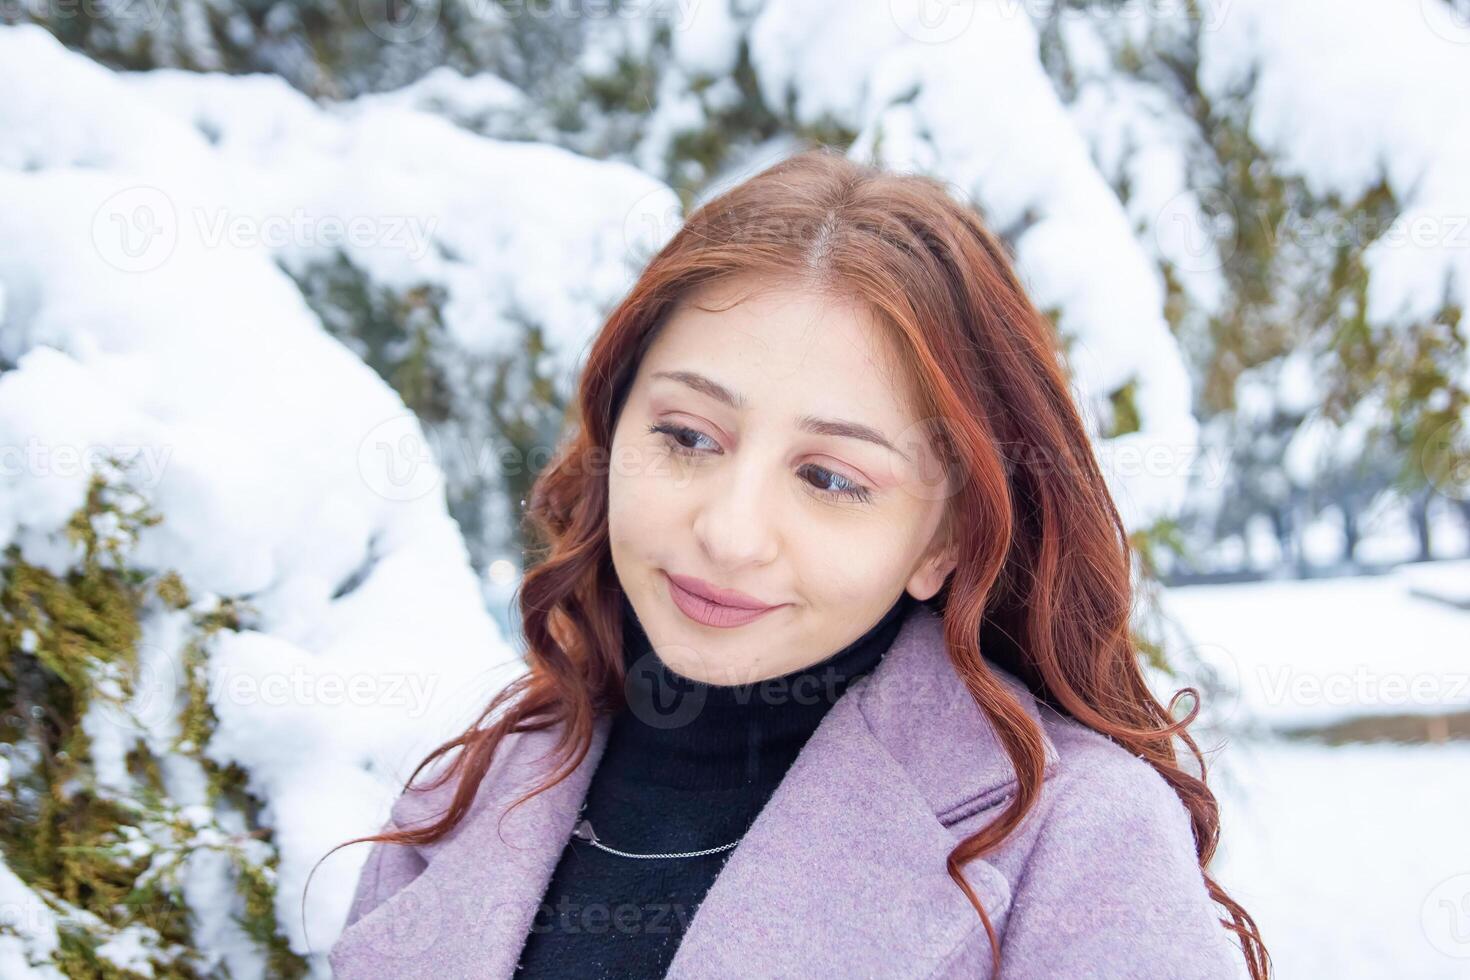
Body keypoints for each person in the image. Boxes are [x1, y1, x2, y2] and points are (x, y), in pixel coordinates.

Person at [325, 146, 1270, 979]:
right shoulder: (474, 789)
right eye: (690, 437)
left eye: (829, 477)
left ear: (945, 540)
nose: (732, 533)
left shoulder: (1076, 842)